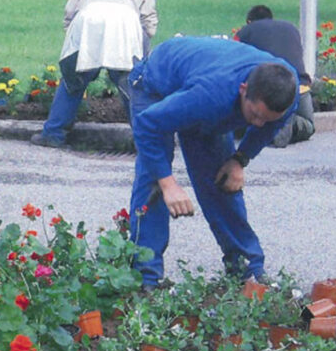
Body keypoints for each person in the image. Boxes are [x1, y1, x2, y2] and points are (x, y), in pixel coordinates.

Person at [127, 36, 298, 289]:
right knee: (153, 180)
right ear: (243, 89)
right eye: (254, 115)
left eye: (267, 119)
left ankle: (246, 271)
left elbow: (268, 125)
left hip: (200, 86)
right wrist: (169, 184)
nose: (258, 123)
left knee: (223, 179)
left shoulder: (286, 90)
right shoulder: (211, 94)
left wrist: (240, 159)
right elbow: (147, 124)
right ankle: (145, 279)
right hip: (155, 86)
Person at [32, 0, 158, 149]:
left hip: (87, 22)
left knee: (71, 84)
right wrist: (142, 51)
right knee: (132, 88)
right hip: (125, 25)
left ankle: (53, 134)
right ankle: (145, 143)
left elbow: (70, 11)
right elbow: (149, 21)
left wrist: (73, 38)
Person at [235, 5, 315, 148]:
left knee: (243, 119)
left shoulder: (245, 32)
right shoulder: (291, 28)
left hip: (265, 91)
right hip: (299, 88)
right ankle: (289, 122)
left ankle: (276, 125)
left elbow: (235, 64)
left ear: (249, 21)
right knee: (308, 125)